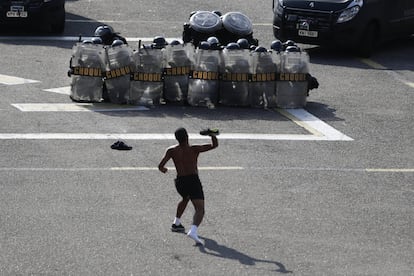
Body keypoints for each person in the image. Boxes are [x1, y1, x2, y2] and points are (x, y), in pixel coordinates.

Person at [158, 127, 218, 245]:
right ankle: (193, 231)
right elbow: (214, 145)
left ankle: (176, 223)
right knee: (199, 209)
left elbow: (160, 166)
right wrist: (212, 135)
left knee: (185, 198)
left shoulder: (171, 150)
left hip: (180, 181)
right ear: (187, 137)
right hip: (193, 181)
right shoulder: (194, 149)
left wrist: (164, 169)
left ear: (176, 138)